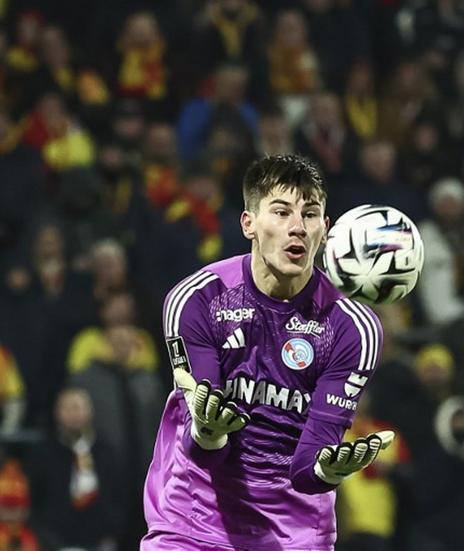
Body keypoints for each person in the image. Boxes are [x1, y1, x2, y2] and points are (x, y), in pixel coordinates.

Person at [141, 154, 394, 550]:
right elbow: (203, 449)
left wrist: (327, 470)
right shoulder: (198, 300)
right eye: (281, 212)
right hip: (194, 522)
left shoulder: (351, 327)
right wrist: (208, 431)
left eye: (310, 215)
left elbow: (307, 469)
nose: (297, 228)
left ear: (325, 229)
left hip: (292, 535)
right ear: (249, 224)